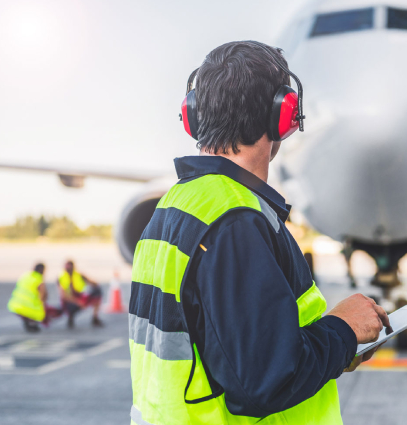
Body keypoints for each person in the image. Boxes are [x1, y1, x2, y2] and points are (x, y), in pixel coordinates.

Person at [128, 41, 389, 425]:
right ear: (284, 116)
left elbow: (225, 349)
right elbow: (263, 382)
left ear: (194, 115)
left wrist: (333, 351)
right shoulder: (235, 221)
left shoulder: (175, 205)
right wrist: (343, 330)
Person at [7, 263, 62, 332]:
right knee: (50, 311)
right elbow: (43, 294)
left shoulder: (26, 275)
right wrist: (42, 304)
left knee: (31, 311)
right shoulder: (38, 278)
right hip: (30, 308)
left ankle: (29, 322)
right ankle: (33, 323)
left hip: (15, 306)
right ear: (41, 270)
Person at [58, 260, 103, 328]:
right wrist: (78, 302)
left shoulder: (78, 275)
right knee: (70, 305)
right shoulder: (62, 278)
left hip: (80, 297)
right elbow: (64, 296)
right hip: (70, 301)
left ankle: (95, 317)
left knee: (97, 292)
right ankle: (70, 317)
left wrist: (92, 282)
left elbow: (93, 283)